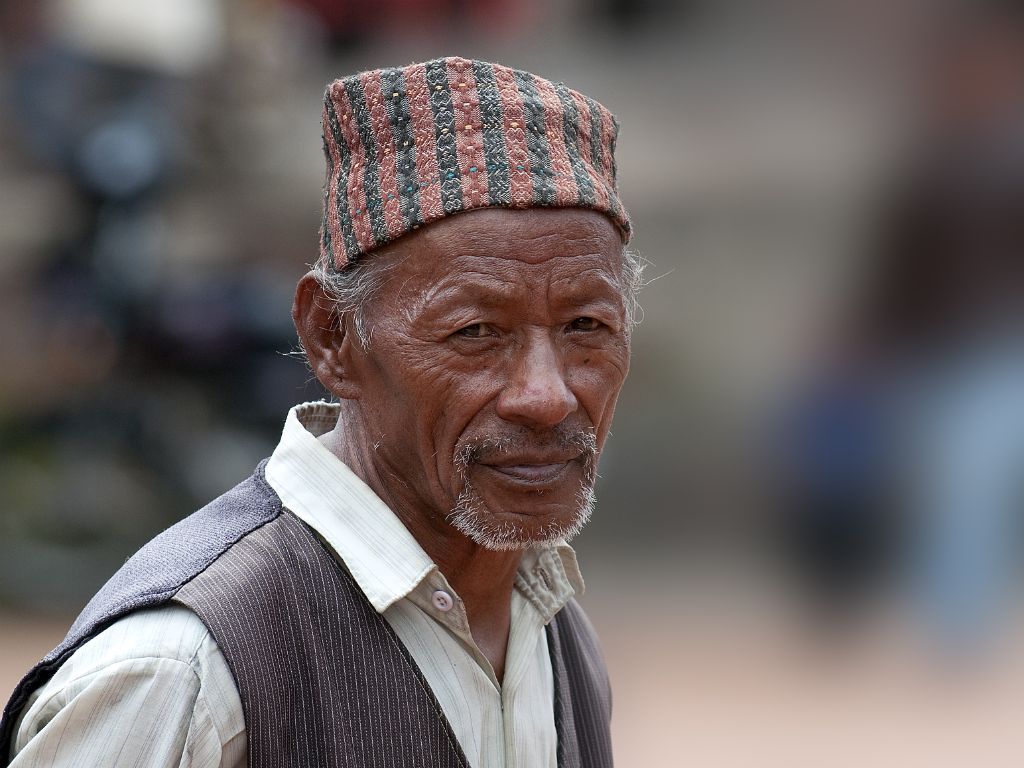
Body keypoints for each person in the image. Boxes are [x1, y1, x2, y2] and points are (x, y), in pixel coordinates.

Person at [1, 56, 640, 767]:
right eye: (475, 333)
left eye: (587, 327)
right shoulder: (186, 674)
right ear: (332, 338)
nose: (547, 396)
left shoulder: (551, 630)